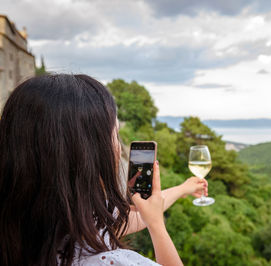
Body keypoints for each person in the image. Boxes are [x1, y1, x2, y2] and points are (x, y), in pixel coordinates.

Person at [0, 74, 208, 265]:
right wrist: (157, 226)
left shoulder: (39, 220)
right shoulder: (109, 262)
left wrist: (183, 189)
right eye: (115, 135)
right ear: (89, 151)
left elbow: (121, 222)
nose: (119, 145)